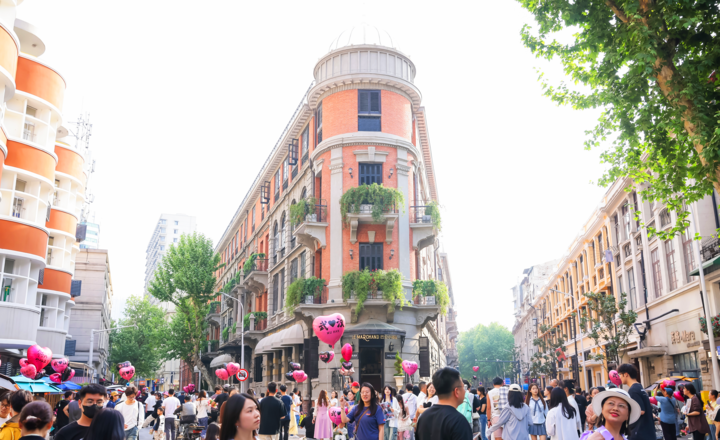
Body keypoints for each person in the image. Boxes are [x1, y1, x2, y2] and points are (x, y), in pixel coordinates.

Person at [414, 367, 472, 440]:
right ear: (456, 391)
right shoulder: (459, 421)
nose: (465, 391)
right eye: (463, 387)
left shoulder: (423, 417)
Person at [616, 364, 655, 440]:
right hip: (647, 431)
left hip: (639, 433)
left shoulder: (633, 390)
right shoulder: (639, 387)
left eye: (620, 374)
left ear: (626, 374)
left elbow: (641, 411)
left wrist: (623, 414)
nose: (619, 377)